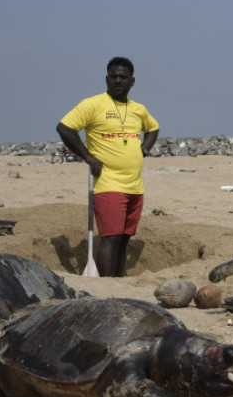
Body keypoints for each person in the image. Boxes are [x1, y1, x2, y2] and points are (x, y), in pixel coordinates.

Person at [56, 57, 159, 277]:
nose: (118, 81)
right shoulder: (92, 104)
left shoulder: (138, 109)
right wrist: (87, 156)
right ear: (106, 79)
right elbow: (64, 128)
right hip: (107, 182)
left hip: (135, 184)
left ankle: (118, 281)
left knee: (123, 238)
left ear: (132, 81)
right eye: (113, 77)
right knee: (111, 237)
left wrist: (144, 149)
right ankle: (105, 285)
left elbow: (153, 128)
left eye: (123, 77)